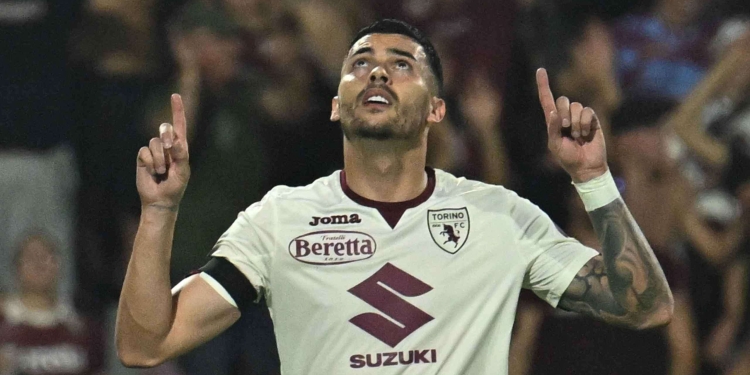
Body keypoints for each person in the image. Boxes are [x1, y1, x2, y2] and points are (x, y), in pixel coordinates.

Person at [116, 19, 674, 374]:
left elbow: (646, 306)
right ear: (336, 104)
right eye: (359, 64)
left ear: (436, 109)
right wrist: (159, 211)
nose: (376, 70)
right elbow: (145, 345)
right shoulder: (279, 221)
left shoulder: (501, 217)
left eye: (401, 65)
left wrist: (595, 179)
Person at [0, 231, 105, 375]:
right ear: (17, 267)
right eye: (31, 257)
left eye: (46, 256)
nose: (39, 263)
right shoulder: (4, 320)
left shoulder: (83, 327)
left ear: (58, 265)